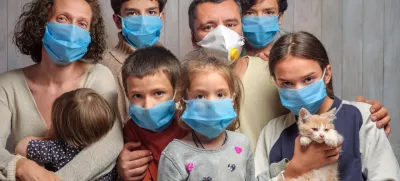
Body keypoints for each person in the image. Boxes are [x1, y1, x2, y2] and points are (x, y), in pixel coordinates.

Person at [187, 0, 391, 152]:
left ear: (242, 31)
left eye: (231, 24)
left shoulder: (275, 75)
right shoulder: (181, 86)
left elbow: (322, 111)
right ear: (194, 39)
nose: (222, 34)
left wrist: (364, 115)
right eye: (208, 27)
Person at [0, 0, 123, 180]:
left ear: (90, 35)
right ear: (42, 23)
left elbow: (111, 141)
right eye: (63, 18)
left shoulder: (100, 76)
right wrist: (20, 166)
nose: (72, 31)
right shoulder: (7, 85)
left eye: (82, 24)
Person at [254, 31, 400, 180]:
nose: (299, 91)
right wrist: (294, 170)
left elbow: (386, 176)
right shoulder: (272, 132)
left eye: (308, 79)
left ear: (327, 74)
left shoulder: (361, 117)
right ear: (275, 82)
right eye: (287, 83)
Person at [158, 55, 254, 181]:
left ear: (233, 100)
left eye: (220, 94)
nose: (211, 104)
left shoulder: (242, 144)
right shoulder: (175, 154)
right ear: (184, 102)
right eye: (200, 96)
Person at [15, 88, 117, 181]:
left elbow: (20, 147)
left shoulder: (57, 149)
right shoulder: (105, 143)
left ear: (61, 131)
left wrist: (47, 137)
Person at [121, 46, 189, 181]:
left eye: (158, 93)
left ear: (176, 92)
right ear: (127, 95)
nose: (147, 106)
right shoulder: (131, 130)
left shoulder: (188, 124)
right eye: (137, 96)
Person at [101, 0, 167, 124]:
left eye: (151, 12)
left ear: (161, 17)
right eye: (132, 13)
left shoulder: (170, 61)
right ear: (117, 21)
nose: (143, 22)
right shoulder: (104, 67)